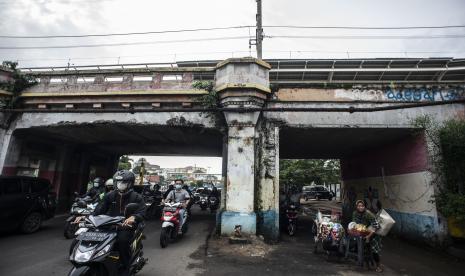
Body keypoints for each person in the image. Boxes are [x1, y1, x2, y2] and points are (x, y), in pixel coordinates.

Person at [74, 170, 146, 276]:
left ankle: (126, 267)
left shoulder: (136, 197)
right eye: (118, 182)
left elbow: (142, 212)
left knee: (122, 241)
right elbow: (99, 210)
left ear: (130, 183)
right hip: (108, 224)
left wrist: (134, 217)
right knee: (91, 237)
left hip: (126, 226)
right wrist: (86, 217)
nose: (120, 185)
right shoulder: (110, 195)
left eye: (123, 183)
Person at [352, 200, 383, 273]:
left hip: (374, 234)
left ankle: (378, 266)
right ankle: (368, 265)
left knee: (374, 251)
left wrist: (369, 236)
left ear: (364, 207)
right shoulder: (355, 213)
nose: (361, 207)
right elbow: (354, 223)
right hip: (364, 233)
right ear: (356, 207)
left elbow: (377, 226)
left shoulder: (368, 214)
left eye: (362, 206)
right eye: (359, 206)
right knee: (364, 249)